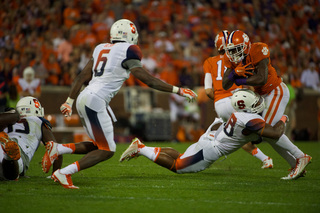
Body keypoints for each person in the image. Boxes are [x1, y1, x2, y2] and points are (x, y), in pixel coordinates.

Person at [42, 19, 197, 189]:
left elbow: (81, 77)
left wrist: (69, 101)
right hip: (96, 100)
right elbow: (148, 80)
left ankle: (58, 149)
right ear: (130, 35)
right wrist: (178, 90)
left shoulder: (100, 47)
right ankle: (64, 172)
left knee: (98, 145)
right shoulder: (130, 50)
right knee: (107, 150)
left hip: (83, 97)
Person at [120, 90, 312, 180]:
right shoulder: (250, 119)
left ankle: (141, 147)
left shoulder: (237, 114)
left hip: (208, 139)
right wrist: (284, 116)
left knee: (180, 157)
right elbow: (277, 133)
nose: (259, 103)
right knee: (178, 167)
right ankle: (142, 148)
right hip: (211, 149)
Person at [222, 30, 306, 179]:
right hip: (262, 95)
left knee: (268, 131)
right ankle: (296, 163)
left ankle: (300, 157)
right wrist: (234, 73)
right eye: (231, 50)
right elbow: (225, 84)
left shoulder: (258, 49)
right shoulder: (232, 60)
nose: (234, 53)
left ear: (246, 45)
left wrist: (239, 80)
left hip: (275, 91)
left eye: (237, 48)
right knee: (267, 134)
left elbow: (261, 78)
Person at [203, 30, 272, 169]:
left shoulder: (209, 61)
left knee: (236, 134)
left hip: (220, 104)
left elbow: (208, 91)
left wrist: (218, 100)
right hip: (238, 97)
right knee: (249, 131)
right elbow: (249, 82)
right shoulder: (240, 58)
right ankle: (214, 138)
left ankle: (265, 158)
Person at [0, 97, 62, 180]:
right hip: (20, 151)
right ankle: (9, 157)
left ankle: (7, 150)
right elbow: (56, 149)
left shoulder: (9, 119)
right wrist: (55, 173)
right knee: (9, 174)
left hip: (3, 141)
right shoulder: (39, 121)